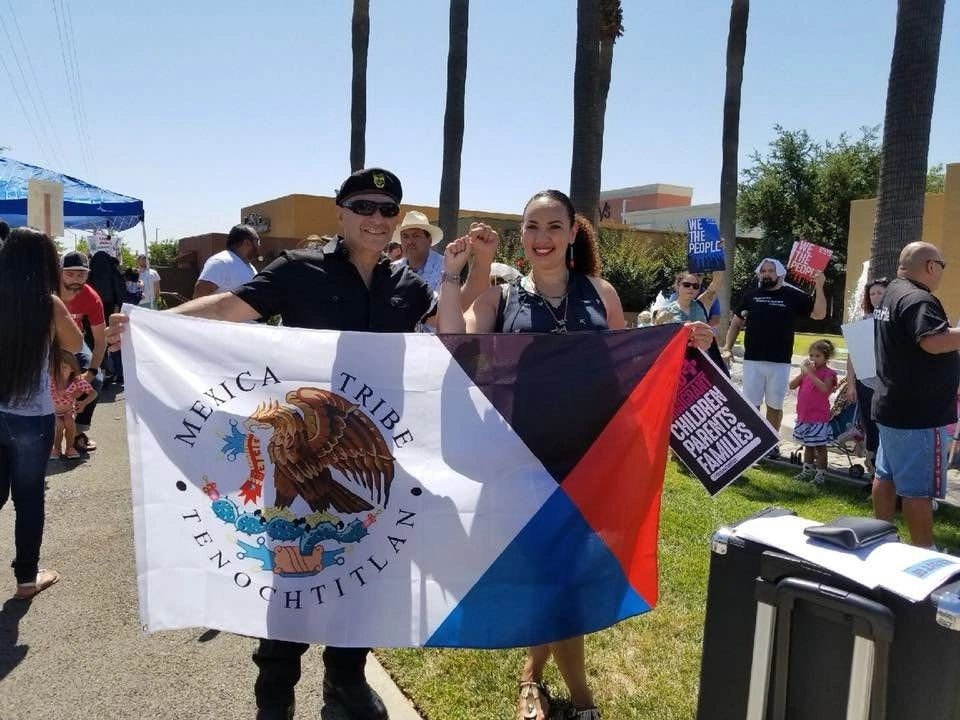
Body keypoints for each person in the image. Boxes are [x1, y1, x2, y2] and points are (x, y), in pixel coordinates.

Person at [106, 167, 493, 720]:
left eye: (388, 210)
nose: (377, 219)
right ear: (340, 213)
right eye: (364, 206)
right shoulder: (298, 270)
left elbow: (454, 335)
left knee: (362, 576)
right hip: (295, 455)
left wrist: (459, 271)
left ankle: (346, 683)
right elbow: (228, 310)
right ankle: (276, 696)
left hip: (370, 454)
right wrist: (151, 324)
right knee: (290, 583)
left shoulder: (404, 286)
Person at [436, 189, 714, 720]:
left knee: (560, 575)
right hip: (524, 458)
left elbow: (627, 361)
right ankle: (583, 703)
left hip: (590, 457)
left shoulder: (600, 291)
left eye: (553, 227)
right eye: (532, 227)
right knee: (555, 575)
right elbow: (455, 340)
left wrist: (679, 339)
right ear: (523, 236)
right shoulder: (502, 298)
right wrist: (455, 273)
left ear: (571, 233)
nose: (542, 238)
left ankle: (531, 676)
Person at [0, 227, 84, 600]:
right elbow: (76, 344)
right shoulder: (47, 303)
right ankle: (26, 579)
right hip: (31, 416)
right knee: (29, 497)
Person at [872, 242, 960, 548]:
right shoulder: (918, 299)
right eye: (942, 267)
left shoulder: (893, 291)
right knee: (916, 490)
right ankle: (925, 550)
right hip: (918, 415)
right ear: (931, 266)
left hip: (893, 406)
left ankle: (879, 537)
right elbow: (933, 341)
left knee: (887, 476)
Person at [721, 258, 827, 455]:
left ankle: (770, 445)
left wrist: (819, 286)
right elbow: (736, 323)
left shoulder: (793, 296)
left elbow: (819, 314)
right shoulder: (750, 296)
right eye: (763, 271)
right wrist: (727, 347)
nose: (767, 274)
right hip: (753, 359)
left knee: (775, 405)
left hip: (780, 361)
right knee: (752, 404)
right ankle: (751, 444)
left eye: (771, 271)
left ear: (779, 274)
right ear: (759, 274)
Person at [59, 251, 106, 453]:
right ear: (60, 272)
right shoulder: (47, 291)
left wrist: (92, 372)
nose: (76, 279)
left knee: (96, 382)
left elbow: (101, 339)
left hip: (74, 343)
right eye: (70, 274)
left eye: (81, 274)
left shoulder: (91, 297)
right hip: (46, 343)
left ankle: (78, 432)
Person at [845, 278, 889, 478]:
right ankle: (874, 475)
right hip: (866, 384)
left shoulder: (896, 321)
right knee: (871, 429)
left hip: (889, 385)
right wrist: (851, 384)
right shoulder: (863, 322)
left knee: (887, 429)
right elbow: (852, 355)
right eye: (872, 294)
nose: (876, 297)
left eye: (880, 293)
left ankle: (889, 476)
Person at [790, 339, 839, 485]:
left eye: (817, 356)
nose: (813, 359)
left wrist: (811, 374)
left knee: (820, 446)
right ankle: (807, 470)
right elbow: (792, 386)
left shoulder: (829, 373)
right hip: (804, 415)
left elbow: (825, 390)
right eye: (811, 355)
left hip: (818, 416)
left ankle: (821, 474)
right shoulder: (807, 372)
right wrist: (802, 373)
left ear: (826, 358)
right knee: (808, 445)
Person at [49, 350, 97, 460]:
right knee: (59, 426)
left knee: (70, 424)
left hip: (68, 411)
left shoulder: (76, 381)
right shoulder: (50, 381)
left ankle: (69, 448)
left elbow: (93, 393)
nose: (60, 371)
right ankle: (56, 448)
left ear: (72, 369)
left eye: (64, 367)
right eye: (57, 367)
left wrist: (84, 403)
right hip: (53, 412)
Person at [193, 224, 260, 298]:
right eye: (258, 241)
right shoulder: (221, 262)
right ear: (247, 243)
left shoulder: (249, 266)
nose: (259, 245)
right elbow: (199, 295)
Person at [391, 210, 444, 291]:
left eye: (416, 236)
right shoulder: (393, 269)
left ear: (429, 240)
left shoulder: (445, 268)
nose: (409, 241)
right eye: (405, 236)